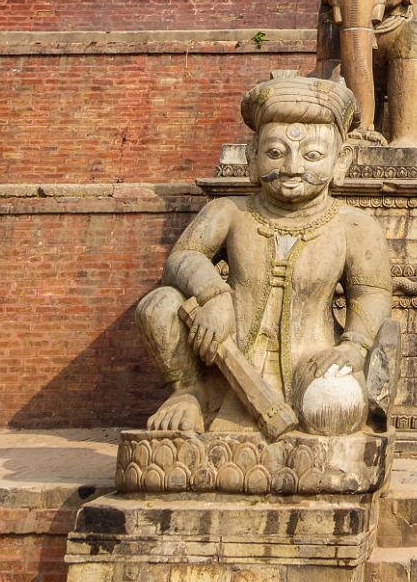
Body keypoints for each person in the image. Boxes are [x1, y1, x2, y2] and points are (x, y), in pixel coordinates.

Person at [135, 72, 392, 435]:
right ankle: (189, 394)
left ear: (341, 161)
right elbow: (182, 257)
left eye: (313, 154)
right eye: (274, 152)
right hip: (223, 360)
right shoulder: (229, 212)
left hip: (311, 364)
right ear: (252, 156)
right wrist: (214, 293)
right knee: (159, 304)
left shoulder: (354, 226)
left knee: (336, 410)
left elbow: (371, 293)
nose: (292, 167)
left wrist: (354, 346)